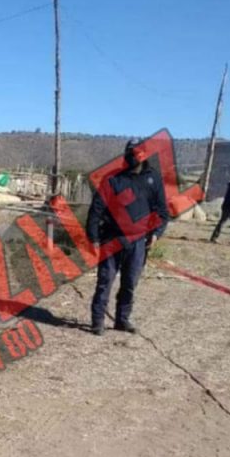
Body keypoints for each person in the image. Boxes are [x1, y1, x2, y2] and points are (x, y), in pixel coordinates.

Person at [86, 138, 169, 336]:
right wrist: (93, 238)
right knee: (105, 281)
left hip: (138, 242)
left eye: (138, 152)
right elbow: (96, 210)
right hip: (111, 240)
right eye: (131, 152)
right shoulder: (113, 179)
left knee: (130, 283)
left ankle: (122, 320)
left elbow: (162, 212)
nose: (134, 156)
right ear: (126, 154)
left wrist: (156, 233)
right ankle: (97, 322)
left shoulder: (153, 179)